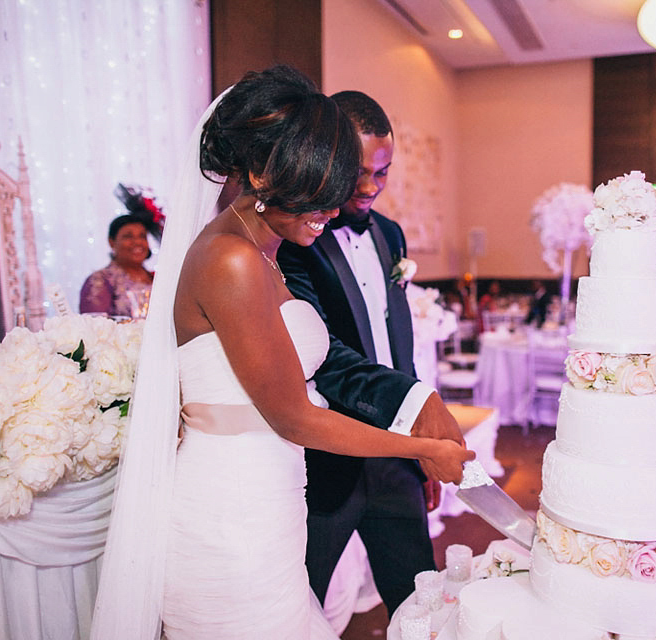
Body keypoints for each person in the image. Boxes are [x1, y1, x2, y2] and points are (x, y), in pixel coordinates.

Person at [90, 67, 472, 640]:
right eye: (316, 196)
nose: (333, 211)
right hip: (230, 516)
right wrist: (420, 446)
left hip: (270, 499)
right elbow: (292, 414)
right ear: (262, 172)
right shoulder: (231, 260)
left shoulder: (262, 250)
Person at [277, 90, 467, 617]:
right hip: (327, 457)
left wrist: (422, 446)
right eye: (357, 171)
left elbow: (395, 347)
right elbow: (325, 357)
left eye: (382, 173)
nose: (368, 188)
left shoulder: (390, 234)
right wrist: (416, 402)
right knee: (298, 606)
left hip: (399, 455)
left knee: (419, 601)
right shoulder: (295, 240)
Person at [79, 214, 155, 317]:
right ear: (111, 242)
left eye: (142, 236)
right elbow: (95, 327)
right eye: (128, 236)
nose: (137, 242)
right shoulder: (99, 280)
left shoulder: (156, 278)